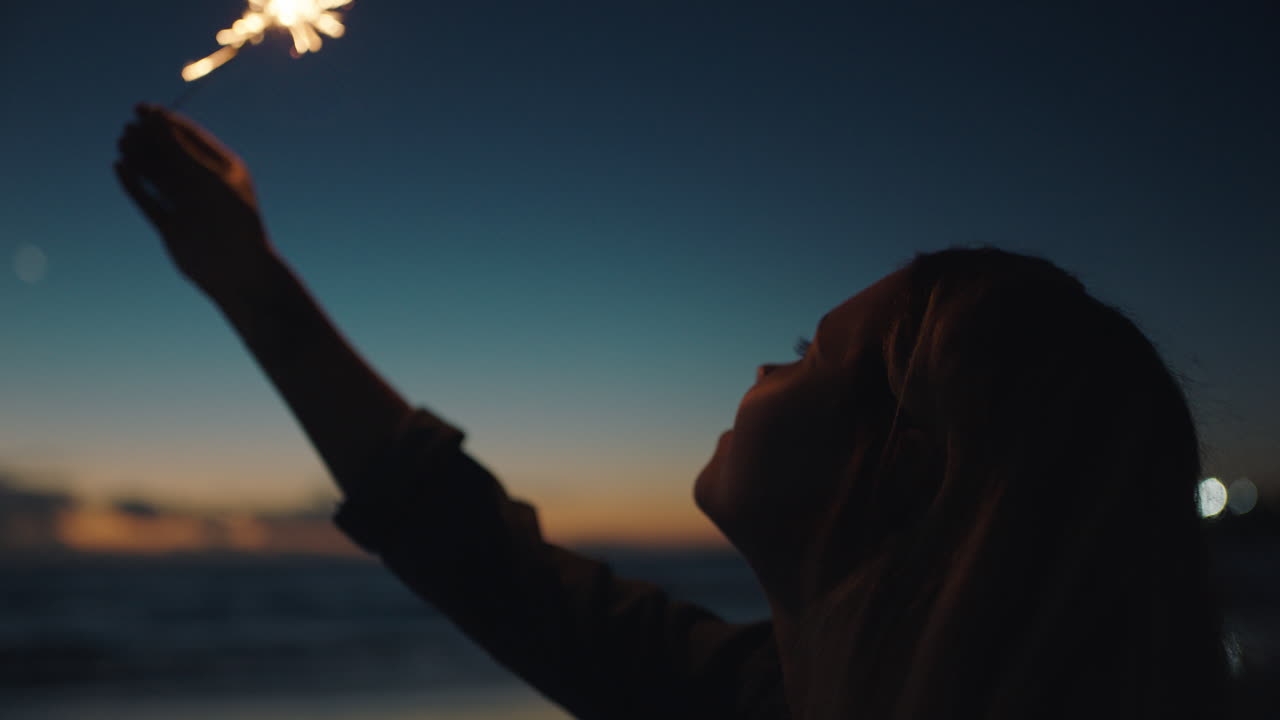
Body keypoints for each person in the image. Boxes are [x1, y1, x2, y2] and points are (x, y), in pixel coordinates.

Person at [114, 104, 1230, 719]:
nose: (763, 365)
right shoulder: (758, 696)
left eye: (808, 356)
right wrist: (249, 281)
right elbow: (486, 561)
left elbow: (487, 565)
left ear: (900, 470)